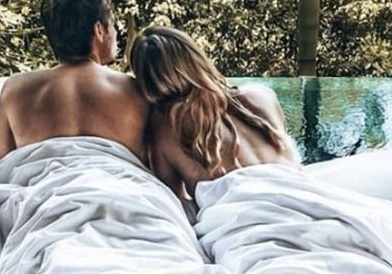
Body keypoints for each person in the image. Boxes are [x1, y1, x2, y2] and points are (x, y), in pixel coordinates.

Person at [128, 25, 298, 210]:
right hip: (303, 197)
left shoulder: (166, 129)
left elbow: (174, 203)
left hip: (249, 215)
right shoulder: (261, 96)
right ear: (196, 57)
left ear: (148, 83)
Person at [0, 0, 149, 161]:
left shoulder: (14, 90)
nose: (115, 34)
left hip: (40, 179)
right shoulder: (134, 90)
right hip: (114, 178)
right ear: (99, 30)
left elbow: (3, 163)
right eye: (113, 25)